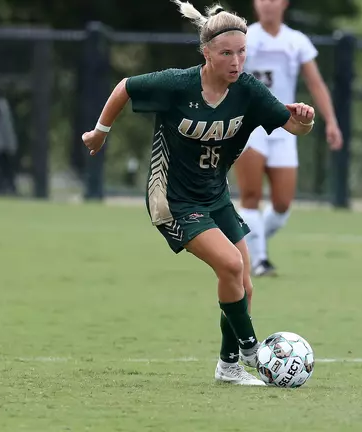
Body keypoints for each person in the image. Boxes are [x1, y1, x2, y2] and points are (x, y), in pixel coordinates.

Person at [81, 1, 317, 384]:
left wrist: (305, 120)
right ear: (206, 53)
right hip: (171, 200)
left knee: (245, 285)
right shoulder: (178, 84)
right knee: (232, 265)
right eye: (227, 53)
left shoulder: (249, 91)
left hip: (214, 196)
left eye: (242, 52)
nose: (236, 61)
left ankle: (228, 367)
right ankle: (254, 351)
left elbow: (293, 127)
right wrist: (100, 132)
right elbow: (125, 87)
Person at [234, 0, 343, 277]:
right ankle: (258, 260)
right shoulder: (245, 38)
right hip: (251, 125)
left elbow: (315, 83)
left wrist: (330, 121)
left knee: (282, 204)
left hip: (285, 127)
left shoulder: (297, 41)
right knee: (250, 195)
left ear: (284, 4)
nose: (267, 5)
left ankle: (248, 242)